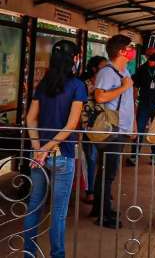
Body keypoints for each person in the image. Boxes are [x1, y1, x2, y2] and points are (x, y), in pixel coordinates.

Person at [24, 40, 88, 258]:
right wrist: (48, 148)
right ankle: (57, 255)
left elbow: (30, 118)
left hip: (38, 157)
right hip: (63, 156)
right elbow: (71, 125)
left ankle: (28, 254)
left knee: (34, 207)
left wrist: (38, 148)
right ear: (75, 59)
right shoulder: (78, 86)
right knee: (58, 213)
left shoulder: (43, 84)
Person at [90, 34, 136, 229]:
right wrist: (123, 87)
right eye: (130, 47)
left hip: (121, 129)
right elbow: (99, 97)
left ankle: (101, 208)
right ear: (121, 51)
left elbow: (127, 102)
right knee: (107, 173)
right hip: (110, 130)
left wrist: (132, 125)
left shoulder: (123, 71)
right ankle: (103, 214)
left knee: (108, 172)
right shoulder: (108, 73)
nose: (133, 50)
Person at [129, 47, 155, 166]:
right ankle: (134, 155)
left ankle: (154, 156)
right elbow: (135, 87)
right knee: (140, 129)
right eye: (149, 55)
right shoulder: (141, 69)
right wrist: (133, 103)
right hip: (144, 104)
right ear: (146, 56)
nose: (151, 56)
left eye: (154, 54)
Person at [80, 55, 108, 204]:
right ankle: (90, 191)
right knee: (91, 158)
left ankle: (101, 190)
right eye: (103, 66)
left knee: (101, 158)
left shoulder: (106, 82)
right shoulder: (84, 84)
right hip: (88, 125)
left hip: (104, 124)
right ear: (94, 68)